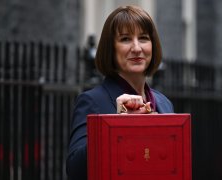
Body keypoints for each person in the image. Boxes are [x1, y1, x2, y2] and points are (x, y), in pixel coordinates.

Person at [66, 5, 174, 180]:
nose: (137, 48)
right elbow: (75, 170)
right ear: (111, 48)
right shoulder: (91, 101)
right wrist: (116, 124)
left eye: (144, 38)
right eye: (125, 39)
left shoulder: (164, 103)